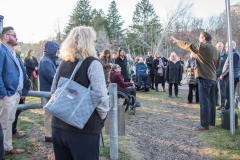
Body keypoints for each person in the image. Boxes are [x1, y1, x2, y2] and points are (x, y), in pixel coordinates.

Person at [50, 26, 109, 160]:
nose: (95, 43)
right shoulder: (93, 63)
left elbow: (53, 92)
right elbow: (101, 97)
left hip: (58, 125)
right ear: (88, 42)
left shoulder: (63, 64)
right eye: (94, 40)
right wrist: (103, 116)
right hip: (84, 129)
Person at [170, 31, 220, 130]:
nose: (199, 39)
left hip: (204, 78)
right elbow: (218, 65)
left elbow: (189, 46)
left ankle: (204, 125)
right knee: (211, 101)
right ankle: (211, 122)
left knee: (204, 102)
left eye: (200, 37)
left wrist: (177, 41)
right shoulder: (215, 49)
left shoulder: (203, 47)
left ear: (204, 38)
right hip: (213, 78)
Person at [0, 26, 29, 154]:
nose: (16, 38)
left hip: (15, 93)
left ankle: (7, 148)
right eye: (14, 35)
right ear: (6, 37)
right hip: (7, 95)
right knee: (3, 124)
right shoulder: (1, 50)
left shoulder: (12, 52)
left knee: (9, 122)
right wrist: (3, 94)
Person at [38, 41, 60, 142]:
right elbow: (52, 77)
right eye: (56, 50)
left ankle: (52, 133)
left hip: (51, 91)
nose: (57, 52)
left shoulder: (49, 60)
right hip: (48, 91)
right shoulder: (45, 61)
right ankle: (48, 135)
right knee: (49, 115)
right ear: (51, 50)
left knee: (52, 114)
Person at [220, 41, 240, 111]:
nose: (225, 48)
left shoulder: (234, 54)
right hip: (230, 77)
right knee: (228, 94)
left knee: (230, 94)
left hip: (232, 77)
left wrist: (223, 75)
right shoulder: (232, 54)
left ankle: (228, 110)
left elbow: (230, 67)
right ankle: (227, 109)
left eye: (226, 46)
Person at [12, 50, 27, 138]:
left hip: (20, 91)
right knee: (12, 114)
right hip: (13, 92)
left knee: (16, 113)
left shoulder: (15, 56)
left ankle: (13, 131)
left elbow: (23, 76)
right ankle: (12, 132)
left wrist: (24, 90)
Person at [215, 42, 228, 110]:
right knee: (214, 90)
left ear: (222, 47)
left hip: (221, 75)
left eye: (220, 46)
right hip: (214, 74)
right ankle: (215, 102)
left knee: (221, 90)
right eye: (217, 46)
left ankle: (222, 104)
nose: (218, 47)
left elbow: (227, 66)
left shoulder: (226, 55)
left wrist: (223, 74)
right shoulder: (214, 55)